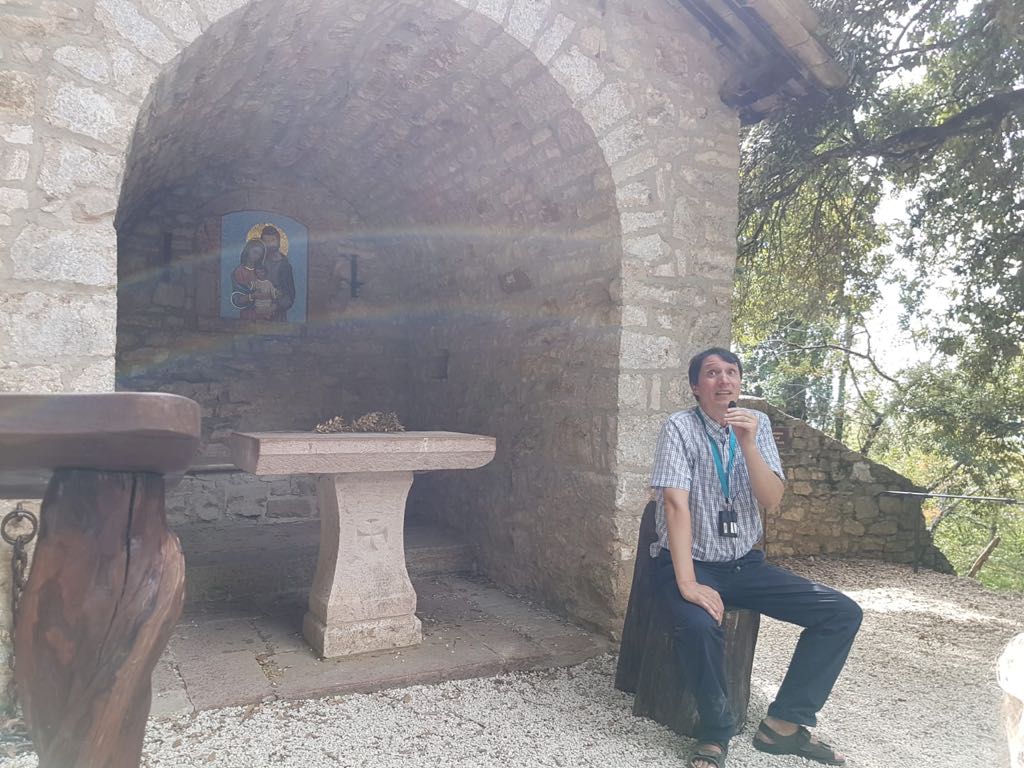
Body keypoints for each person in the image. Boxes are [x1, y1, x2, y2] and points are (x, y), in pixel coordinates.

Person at [650, 347, 862, 768]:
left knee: (841, 613)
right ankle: (715, 731)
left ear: (740, 383)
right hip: (692, 562)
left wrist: (748, 444)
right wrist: (688, 582)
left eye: (731, 372)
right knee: (698, 625)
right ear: (695, 387)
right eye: (712, 373)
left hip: (745, 564)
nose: (724, 380)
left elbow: (771, 498)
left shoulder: (757, 425)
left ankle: (783, 725)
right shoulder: (679, 427)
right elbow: (675, 504)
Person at [259, 225, 295, 321]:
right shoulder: (259, 262)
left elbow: (290, 296)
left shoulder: (285, 266)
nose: (269, 244)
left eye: (272, 240)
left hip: (278, 315)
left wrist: (275, 307)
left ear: (278, 242)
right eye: (266, 241)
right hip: (258, 312)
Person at [230, 239, 269, 321]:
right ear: (248, 250)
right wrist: (253, 296)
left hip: (263, 312)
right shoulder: (239, 271)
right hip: (247, 313)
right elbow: (238, 298)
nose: (256, 256)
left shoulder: (261, 271)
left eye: (259, 254)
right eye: (255, 252)